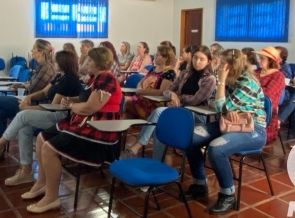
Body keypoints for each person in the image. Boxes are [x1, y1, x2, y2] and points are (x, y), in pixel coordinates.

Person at [23, 47, 122, 213]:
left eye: (89, 60)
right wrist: (72, 100)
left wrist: (70, 105)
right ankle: (41, 183)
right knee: (41, 137)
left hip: (100, 131)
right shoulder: (96, 77)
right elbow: (87, 99)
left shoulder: (106, 77)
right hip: (85, 122)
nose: (85, 62)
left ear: (98, 63)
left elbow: (89, 108)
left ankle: (52, 197)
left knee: (49, 149)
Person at [0, 51, 82, 185]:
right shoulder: (60, 77)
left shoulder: (70, 80)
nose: (55, 63)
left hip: (60, 117)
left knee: (22, 115)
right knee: (24, 126)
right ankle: (26, 171)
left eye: (57, 61)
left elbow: (53, 106)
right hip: (50, 111)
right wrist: (29, 97)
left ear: (64, 63)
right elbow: (43, 92)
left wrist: (27, 108)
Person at [184, 49, 266, 215]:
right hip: (226, 123)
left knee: (216, 149)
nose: (218, 66)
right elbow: (213, 103)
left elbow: (221, 106)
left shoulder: (247, 82)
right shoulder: (229, 79)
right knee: (190, 138)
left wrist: (221, 85)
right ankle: (200, 184)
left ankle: (227, 194)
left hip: (253, 129)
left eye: (221, 64)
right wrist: (225, 108)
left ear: (229, 66)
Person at [121, 45, 216, 160]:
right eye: (195, 58)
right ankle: (157, 160)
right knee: (160, 123)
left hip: (197, 114)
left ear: (208, 61)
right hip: (179, 109)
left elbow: (196, 100)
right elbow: (167, 90)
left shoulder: (209, 79)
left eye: (202, 59)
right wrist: (172, 94)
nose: (197, 61)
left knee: (159, 113)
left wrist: (178, 97)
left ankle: (137, 146)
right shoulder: (185, 73)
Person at [124, 46, 176, 119]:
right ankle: (125, 128)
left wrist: (142, 91)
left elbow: (160, 92)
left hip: (154, 102)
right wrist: (139, 89)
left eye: (158, 55)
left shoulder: (169, 72)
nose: (155, 57)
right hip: (143, 98)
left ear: (165, 58)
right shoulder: (153, 69)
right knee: (125, 106)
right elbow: (140, 82)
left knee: (125, 101)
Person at [253, 46, 285, 144]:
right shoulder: (255, 72)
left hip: (264, 113)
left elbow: (267, 94)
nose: (258, 60)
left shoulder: (278, 76)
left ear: (270, 61)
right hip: (249, 107)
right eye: (259, 57)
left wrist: (249, 91)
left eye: (262, 58)